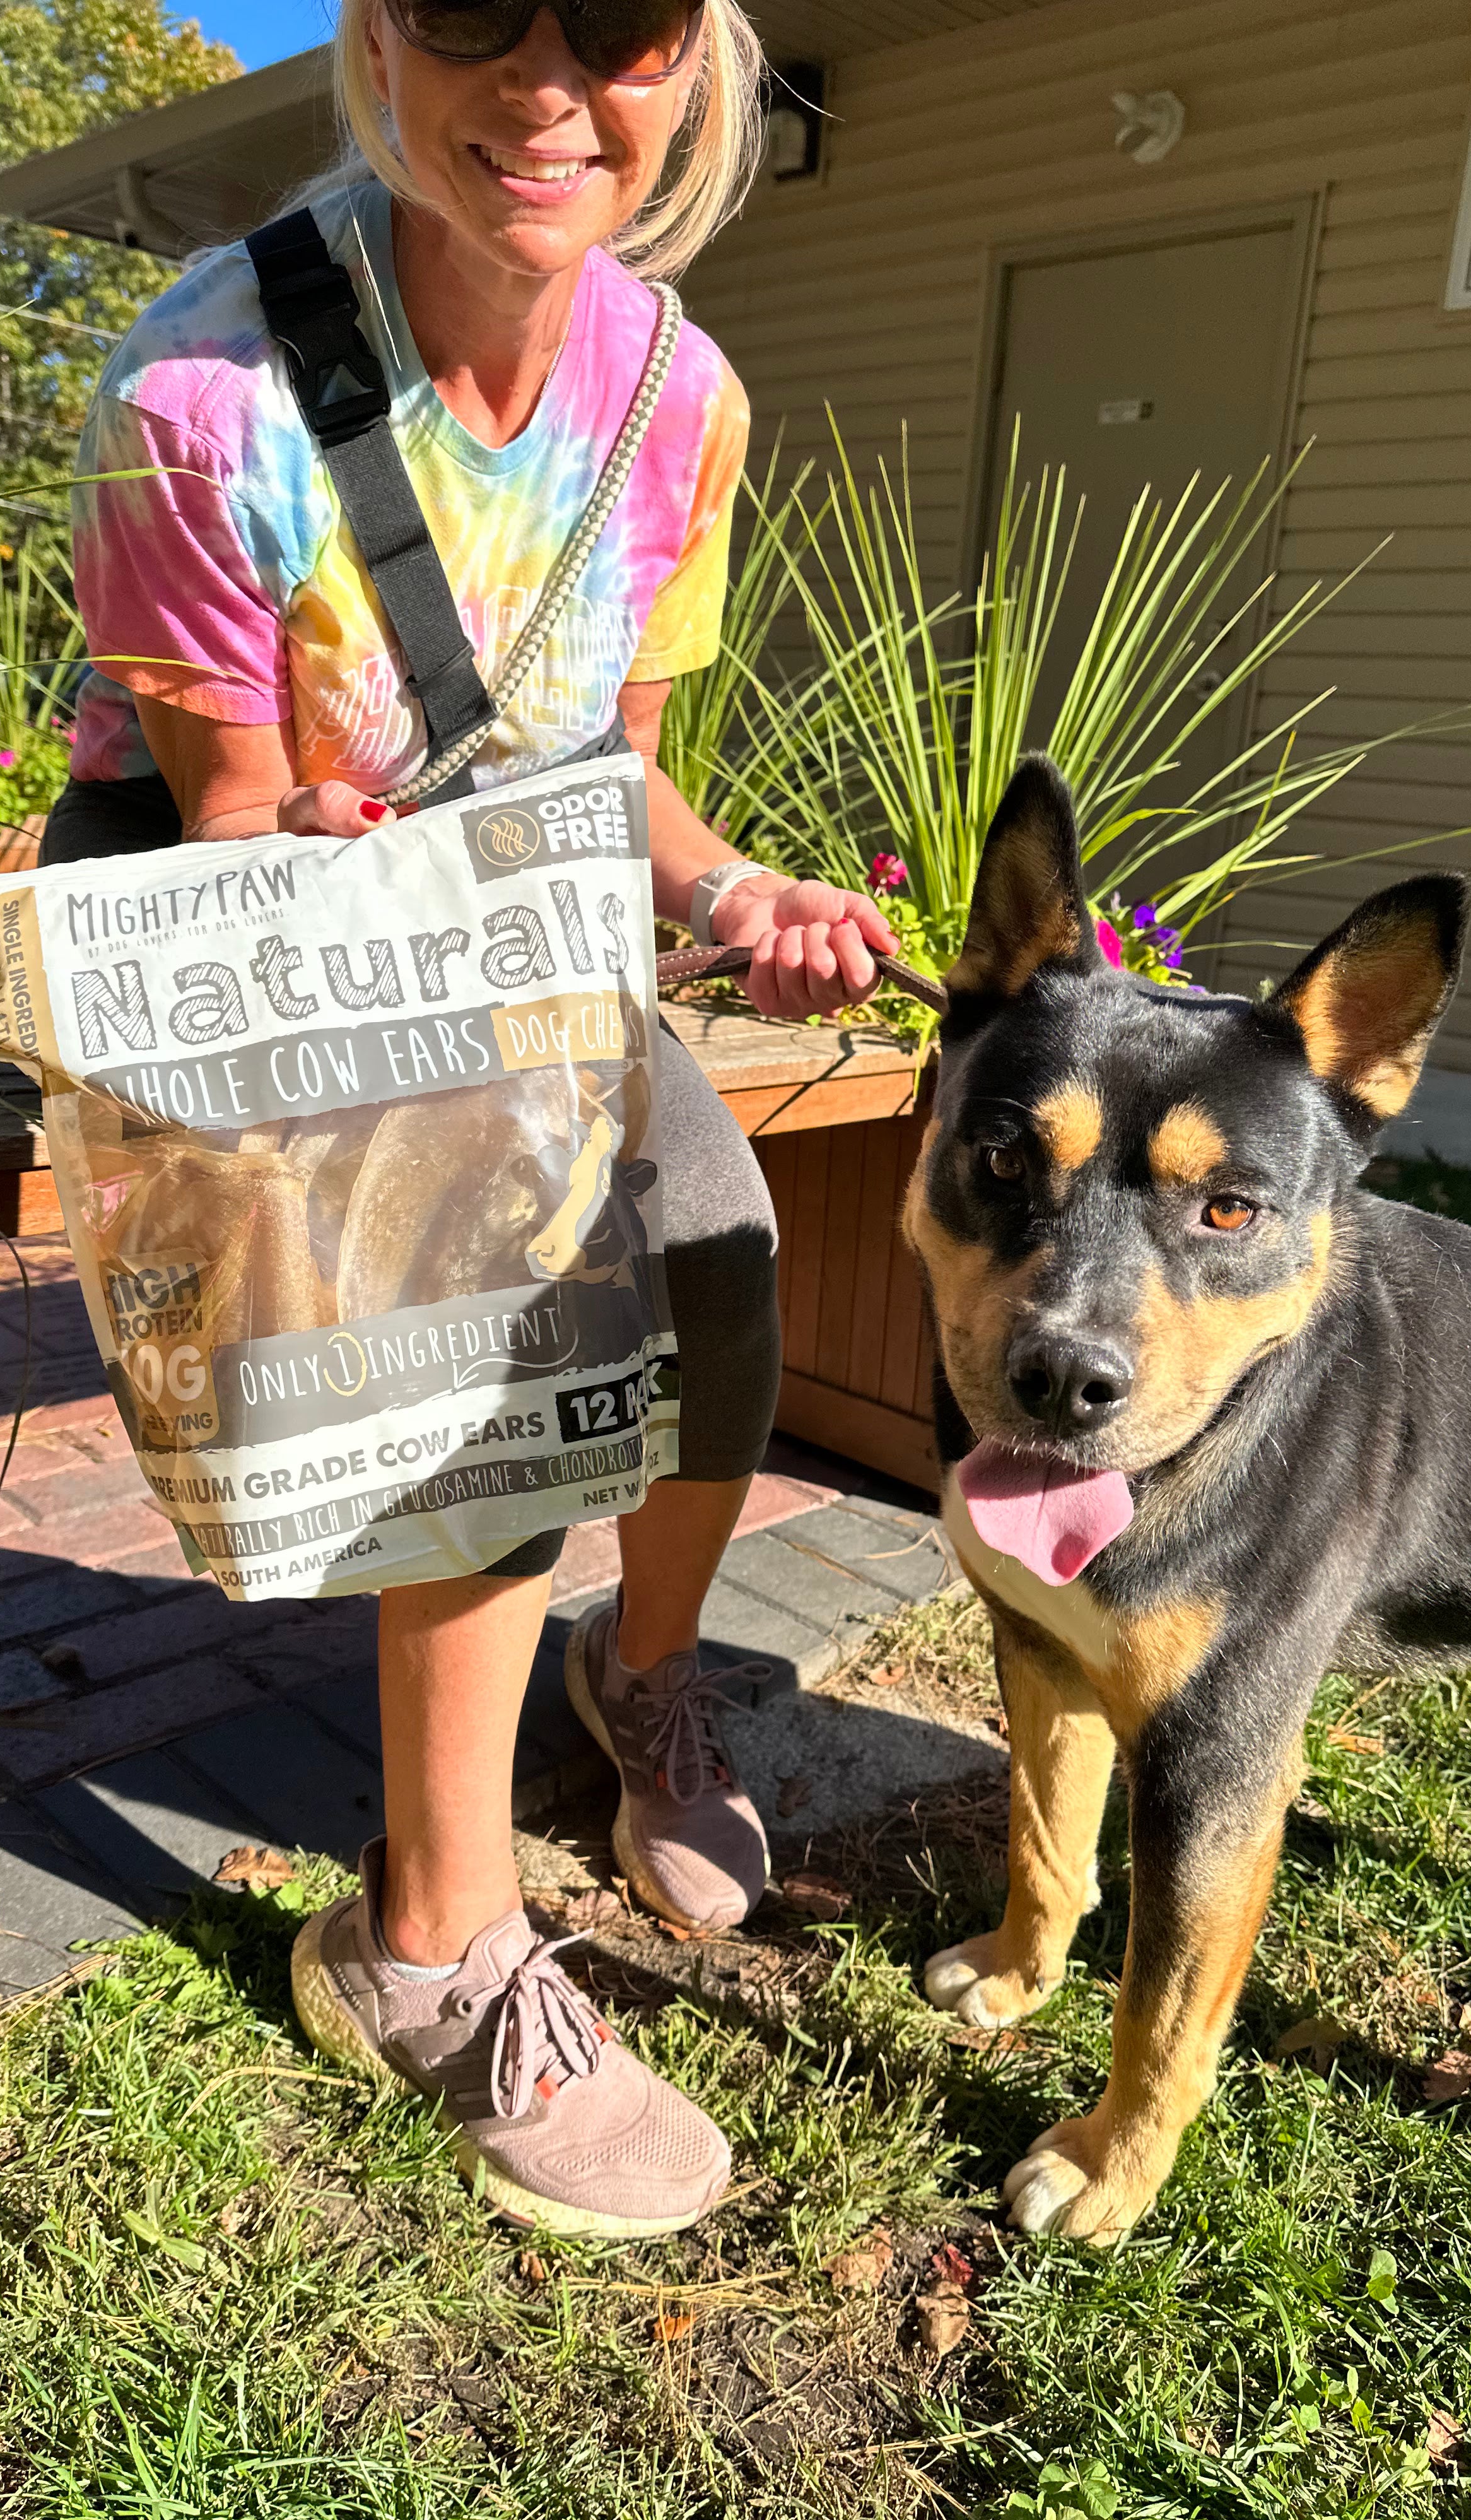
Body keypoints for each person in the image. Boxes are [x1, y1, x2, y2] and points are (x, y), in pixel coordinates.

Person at [52, 0, 896, 2238]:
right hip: (266, 925)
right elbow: (238, 820)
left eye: (613, 21)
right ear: (376, 41)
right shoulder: (198, 396)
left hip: (510, 918)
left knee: (717, 1255)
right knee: (501, 1293)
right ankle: (425, 1936)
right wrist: (328, 851)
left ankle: (642, 1694)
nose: (544, 83)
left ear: (696, 59)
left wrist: (736, 888)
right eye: (470, 10)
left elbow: (611, 770)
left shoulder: (676, 393)